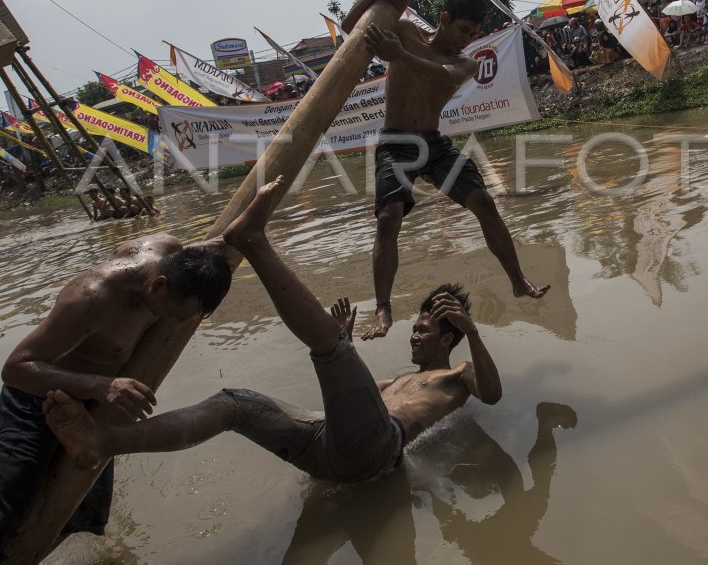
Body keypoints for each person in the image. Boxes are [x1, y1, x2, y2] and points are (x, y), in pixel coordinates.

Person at [43, 177, 502, 486]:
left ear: (448, 339)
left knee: (331, 347)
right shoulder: (395, 381)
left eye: (425, 331)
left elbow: (492, 394)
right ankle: (104, 442)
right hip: (330, 451)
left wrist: (472, 332)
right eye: (416, 328)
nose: (415, 336)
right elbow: (346, 408)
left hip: (379, 453)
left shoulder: (457, 374)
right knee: (233, 404)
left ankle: (254, 241)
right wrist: (344, 354)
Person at [0, 231, 236, 564]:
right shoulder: (91, 298)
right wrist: (101, 386)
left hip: (86, 406)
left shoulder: (169, 252)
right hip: (34, 401)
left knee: (83, 510)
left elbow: (214, 245)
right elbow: (16, 368)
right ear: (158, 286)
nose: (173, 322)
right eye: (175, 314)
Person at [338, 0, 548, 340]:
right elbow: (350, 27)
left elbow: (444, 75)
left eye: (475, 34)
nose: (467, 39)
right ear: (445, 19)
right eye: (464, 30)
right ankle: (383, 308)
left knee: (483, 201)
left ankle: (516, 279)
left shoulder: (463, 62)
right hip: (396, 142)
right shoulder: (403, 30)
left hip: (433, 144)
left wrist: (398, 55)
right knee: (388, 219)